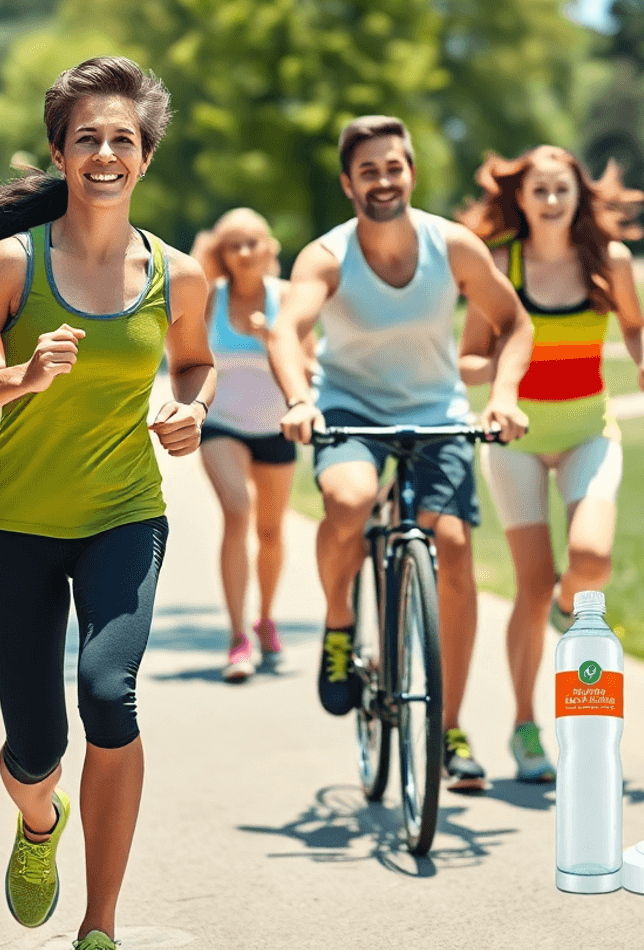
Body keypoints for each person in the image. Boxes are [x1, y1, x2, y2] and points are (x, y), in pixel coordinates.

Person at [0, 57, 215, 950]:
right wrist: (23, 374)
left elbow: (198, 361)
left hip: (126, 515)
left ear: (145, 158)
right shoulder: (15, 265)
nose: (104, 152)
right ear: (60, 152)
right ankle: (38, 821)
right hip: (19, 528)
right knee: (35, 751)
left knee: (108, 697)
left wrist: (190, 409)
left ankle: (100, 926)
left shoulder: (180, 274)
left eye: (121, 139)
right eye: (86, 136)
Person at [269, 115, 533, 792]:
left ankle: (448, 727)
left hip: (435, 410)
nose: (383, 181)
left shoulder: (454, 247)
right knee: (350, 500)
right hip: (350, 408)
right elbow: (286, 331)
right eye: (368, 171)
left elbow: (515, 324)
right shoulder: (327, 256)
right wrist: (300, 399)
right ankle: (338, 621)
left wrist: (502, 396)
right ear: (347, 183)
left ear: (410, 173)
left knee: (455, 546)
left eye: (394, 167)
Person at [457, 146, 644, 783]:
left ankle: (568, 604)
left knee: (591, 560)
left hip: (587, 433)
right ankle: (526, 727)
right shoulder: (499, 264)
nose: (551, 200)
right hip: (516, 440)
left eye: (562, 190)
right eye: (539, 190)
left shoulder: (610, 260)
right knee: (530, 583)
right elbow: (467, 358)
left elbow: (635, 326)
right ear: (519, 198)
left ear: (579, 195)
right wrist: (508, 372)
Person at [190, 209, 314, 682]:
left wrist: (272, 338)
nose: (243, 253)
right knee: (237, 510)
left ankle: (265, 619)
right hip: (222, 424)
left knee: (270, 532)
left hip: (277, 428)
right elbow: (187, 357)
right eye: (233, 245)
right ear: (221, 253)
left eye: (252, 243)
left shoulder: (289, 300)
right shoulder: (209, 299)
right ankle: (236, 636)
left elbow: (309, 369)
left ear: (269, 248)